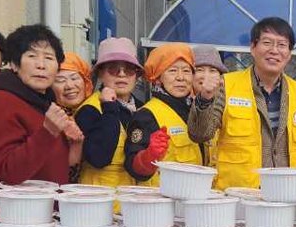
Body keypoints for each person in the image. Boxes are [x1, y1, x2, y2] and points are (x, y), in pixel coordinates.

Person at [188, 17, 296, 189]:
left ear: (289, 54)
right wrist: (205, 99)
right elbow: (199, 134)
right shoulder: (227, 85)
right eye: (267, 43)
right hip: (238, 195)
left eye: (282, 45)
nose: (274, 50)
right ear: (252, 48)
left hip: (286, 193)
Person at [0, 24, 81, 197]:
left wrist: (75, 144)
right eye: (32, 56)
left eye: (49, 58)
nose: (41, 65)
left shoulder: (43, 102)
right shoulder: (1, 102)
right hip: (15, 211)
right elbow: (9, 171)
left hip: (44, 208)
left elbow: (50, 164)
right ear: (14, 65)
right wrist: (48, 131)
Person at [123, 43, 203, 185]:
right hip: (160, 197)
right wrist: (148, 156)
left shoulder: (197, 110)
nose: (181, 77)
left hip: (195, 194)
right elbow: (132, 167)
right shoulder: (146, 116)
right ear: (158, 78)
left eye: (186, 71)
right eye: (172, 71)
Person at [75, 37, 142, 188]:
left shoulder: (143, 108)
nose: (122, 74)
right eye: (113, 69)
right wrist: (109, 109)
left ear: (137, 75)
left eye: (129, 69)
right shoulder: (89, 110)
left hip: (133, 198)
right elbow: (98, 158)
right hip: (98, 197)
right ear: (100, 73)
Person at [191, 44, 226, 166]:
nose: (206, 76)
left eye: (213, 71)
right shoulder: (182, 106)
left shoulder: (228, 106)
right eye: (199, 70)